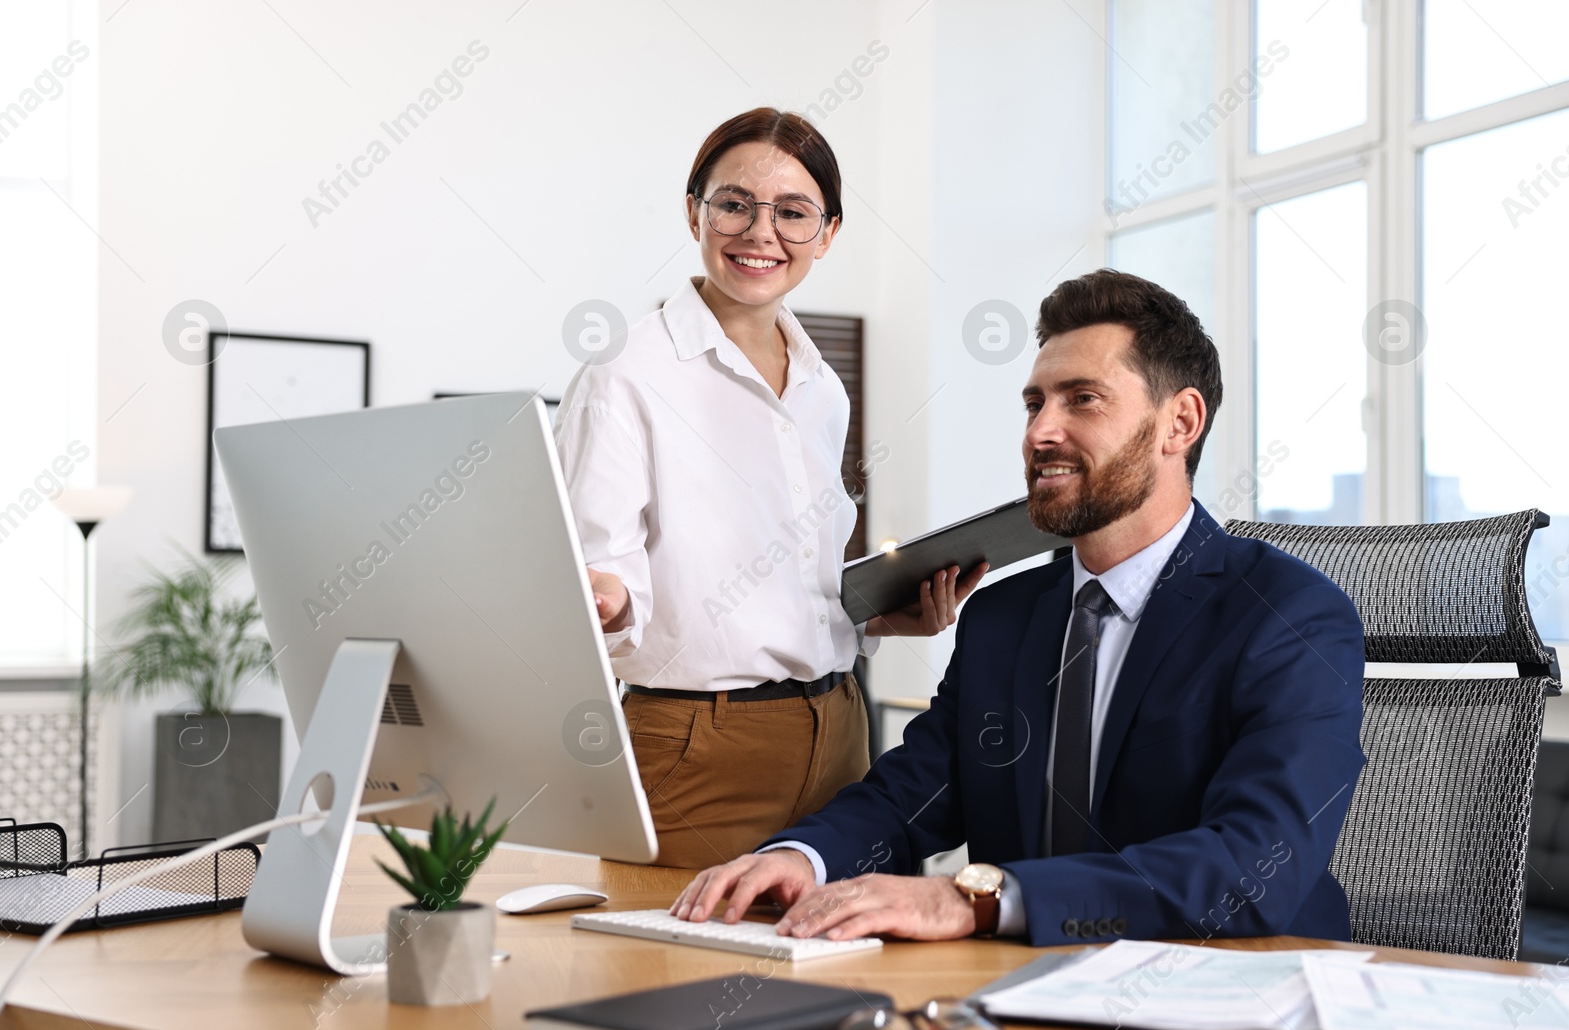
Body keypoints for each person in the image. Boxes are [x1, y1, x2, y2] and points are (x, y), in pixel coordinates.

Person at [670, 269, 1367, 945]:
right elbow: (908, 798)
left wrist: (979, 898)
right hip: (1025, 992)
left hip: (1233, 995)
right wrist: (803, 857)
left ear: (1178, 422)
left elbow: (1251, 867)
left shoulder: (1291, 617)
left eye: (1082, 399)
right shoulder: (1001, 617)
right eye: (1035, 404)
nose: (1041, 432)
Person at [556, 108, 985, 869]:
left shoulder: (823, 386)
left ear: (828, 232)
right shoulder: (627, 372)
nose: (761, 233)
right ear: (695, 212)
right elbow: (603, 572)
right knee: (675, 976)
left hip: (841, 728)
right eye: (734, 204)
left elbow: (794, 582)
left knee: (845, 968)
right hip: (697, 744)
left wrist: (879, 617)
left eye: (792, 212)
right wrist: (607, 598)